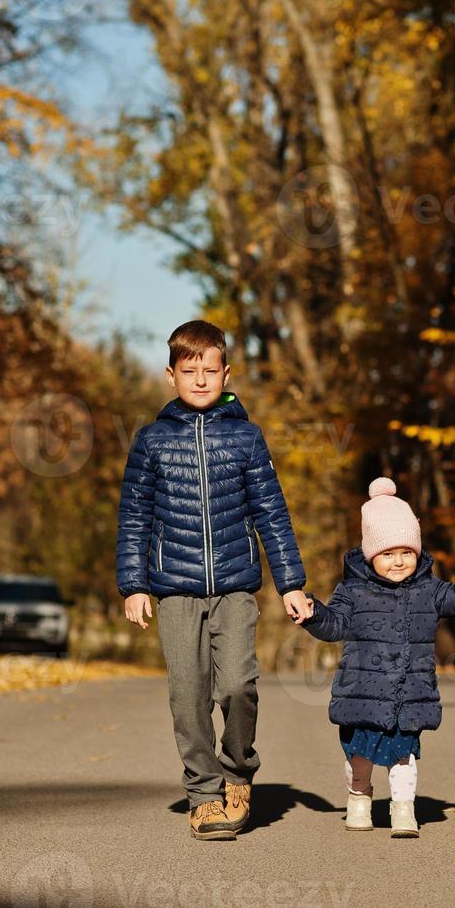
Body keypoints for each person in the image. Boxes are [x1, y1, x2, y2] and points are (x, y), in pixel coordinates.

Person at [116, 319, 311, 840]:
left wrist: (291, 582)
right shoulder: (152, 441)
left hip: (235, 585)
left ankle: (238, 771)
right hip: (174, 588)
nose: (200, 379)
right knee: (189, 693)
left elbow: (272, 511)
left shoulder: (247, 438)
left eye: (210, 369)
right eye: (189, 370)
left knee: (237, 686)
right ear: (170, 375)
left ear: (227, 374)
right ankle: (204, 792)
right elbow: (134, 515)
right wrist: (133, 584)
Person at [296, 478, 455, 837]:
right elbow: (335, 626)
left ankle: (403, 808)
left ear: (417, 552)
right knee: (358, 758)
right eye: (388, 554)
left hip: (408, 693)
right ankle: (359, 798)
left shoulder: (428, 589)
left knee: (403, 756)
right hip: (361, 693)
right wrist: (314, 614)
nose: (398, 562)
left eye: (406, 552)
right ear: (371, 555)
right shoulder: (354, 591)